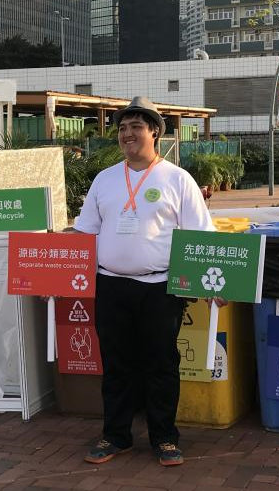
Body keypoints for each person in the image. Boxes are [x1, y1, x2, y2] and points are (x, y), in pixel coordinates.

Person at [72, 96, 214, 468]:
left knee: (161, 364)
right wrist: (53, 277)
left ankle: (164, 438)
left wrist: (215, 288)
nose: (127, 134)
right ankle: (116, 436)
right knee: (116, 365)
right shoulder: (105, 180)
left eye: (136, 127)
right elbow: (84, 233)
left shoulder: (177, 179)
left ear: (155, 133)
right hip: (111, 286)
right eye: (122, 128)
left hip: (160, 288)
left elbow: (201, 235)